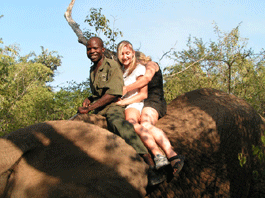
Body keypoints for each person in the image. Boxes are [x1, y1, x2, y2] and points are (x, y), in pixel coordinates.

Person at [77, 37, 165, 186]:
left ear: (102, 50)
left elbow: (114, 93)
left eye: (95, 48)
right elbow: (100, 92)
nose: (92, 51)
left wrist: (91, 108)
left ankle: (149, 162)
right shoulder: (92, 70)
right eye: (89, 49)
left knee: (119, 124)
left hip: (113, 105)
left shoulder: (112, 66)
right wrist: (89, 99)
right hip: (99, 106)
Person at [117, 41, 184, 176]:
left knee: (146, 124)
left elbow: (146, 79)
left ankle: (172, 155)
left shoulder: (150, 65)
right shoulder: (129, 70)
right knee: (138, 124)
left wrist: (125, 90)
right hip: (143, 102)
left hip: (154, 101)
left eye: (137, 59)